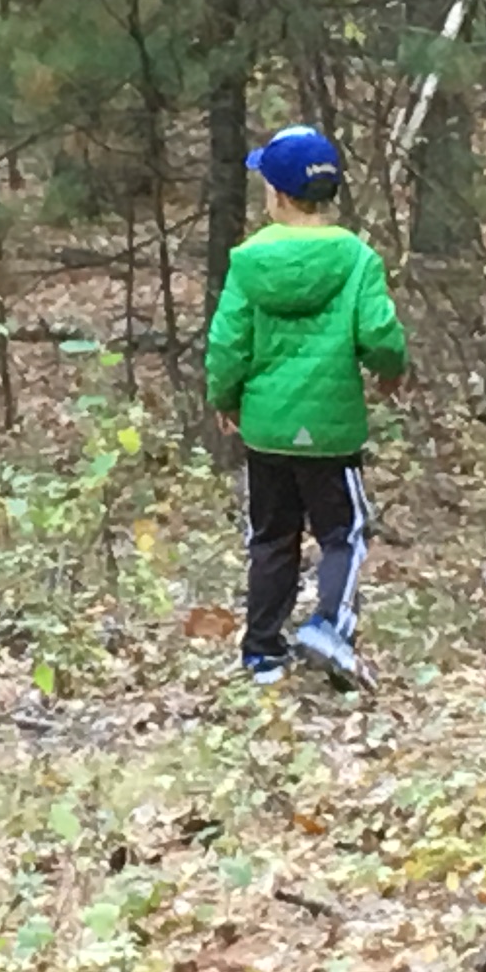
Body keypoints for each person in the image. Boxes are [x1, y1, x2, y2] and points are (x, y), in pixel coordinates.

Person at [204, 125, 409, 688]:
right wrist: (392, 369)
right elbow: (379, 333)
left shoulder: (248, 261)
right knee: (343, 532)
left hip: (267, 428)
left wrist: (225, 396)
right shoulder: (356, 258)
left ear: (278, 195)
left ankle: (263, 653)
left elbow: (227, 343)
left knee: (271, 538)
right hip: (332, 428)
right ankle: (328, 626)